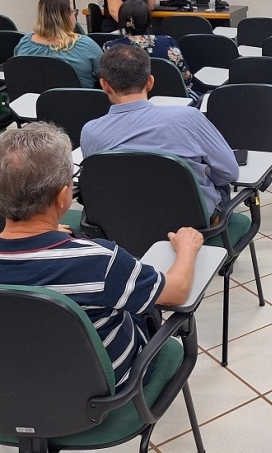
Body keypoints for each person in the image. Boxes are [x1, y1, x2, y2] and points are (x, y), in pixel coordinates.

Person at [0, 122, 204, 389]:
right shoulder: (100, 262)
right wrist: (188, 248)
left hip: (11, 394)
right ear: (64, 196)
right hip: (97, 396)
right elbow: (177, 292)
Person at [80, 44, 238, 218]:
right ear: (150, 82)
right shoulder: (188, 118)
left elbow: (99, 182)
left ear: (104, 85)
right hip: (190, 223)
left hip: (124, 223)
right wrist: (202, 173)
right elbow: (229, 172)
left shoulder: (90, 131)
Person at [105, 0, 197, 100]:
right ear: (149, 20)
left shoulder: (110, 48)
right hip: (172, 100)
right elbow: (186, 76)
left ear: (121, 21)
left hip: (128, 103)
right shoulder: (167, 42)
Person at [14, 0, 102, 88]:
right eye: (73, 12)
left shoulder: (25, 43)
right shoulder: (85, 45)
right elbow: (107, 78)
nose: (74, 16)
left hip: (33, 101)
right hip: (77, 101)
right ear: (65, 17)